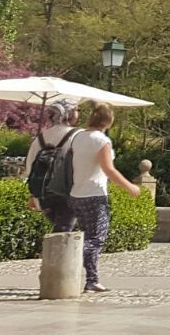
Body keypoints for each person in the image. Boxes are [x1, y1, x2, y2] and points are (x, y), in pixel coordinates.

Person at [66, 103, 142, 292]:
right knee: (96, 239)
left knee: (89, 236)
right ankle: (71, 257)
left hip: (77, 193)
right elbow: (108, 169)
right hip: (94, 194)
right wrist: (129, 187)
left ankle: (92, 279)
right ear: (109, 121)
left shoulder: (78, 137)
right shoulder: (101, 141)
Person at [21, 101, 81, 232]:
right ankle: (55, 252)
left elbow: (30, 166)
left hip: (44, 193)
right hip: (68, 191)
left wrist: (33, 195)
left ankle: (61, 250)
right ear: (69, 114)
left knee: (62, 227)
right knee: (63, 231)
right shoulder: (78, 135)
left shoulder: (41, 138)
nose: (78, 113)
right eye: (77, 110)